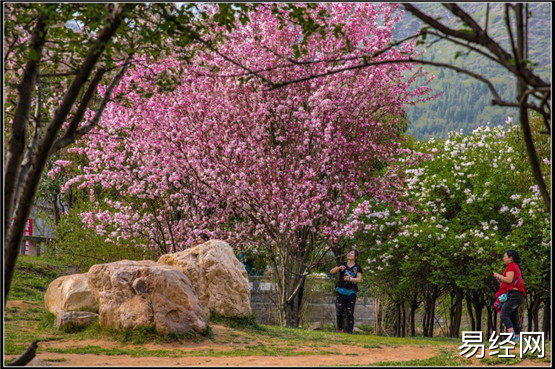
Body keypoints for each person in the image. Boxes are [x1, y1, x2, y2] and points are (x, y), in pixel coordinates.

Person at [493, 250, 526, 342]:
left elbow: (509, 279)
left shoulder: (511, 266)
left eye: (505, 256)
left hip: (514, 295)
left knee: (504, 314)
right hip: (517, 295)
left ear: (510, 258)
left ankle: (512, 335)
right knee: (513, 316)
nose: (503, 258)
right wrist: (500, 279)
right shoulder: (515, 266)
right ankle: (517, 337)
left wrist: (499, 275)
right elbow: (508, 281)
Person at [330, 249, 362, 334]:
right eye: (349, 252)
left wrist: (350, 279)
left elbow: (359, 279)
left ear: (356, 257)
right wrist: (338, 268)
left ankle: (350, 331)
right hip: (340, 291)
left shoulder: (357, 267)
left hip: (351, 292)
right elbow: (331, 271)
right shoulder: (342, 264)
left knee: (350, 312)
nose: (349, 254)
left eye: (352, 253)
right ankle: (340, 329)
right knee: (339, 311)